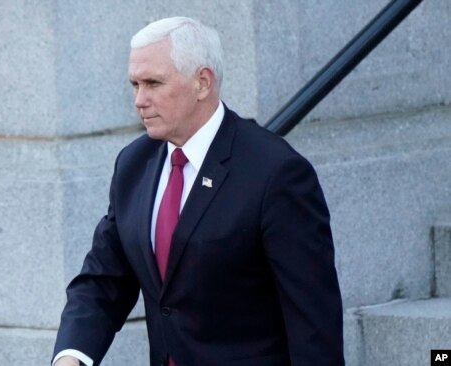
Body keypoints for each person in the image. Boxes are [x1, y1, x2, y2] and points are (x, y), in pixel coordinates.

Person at [52, 16, 344, 366]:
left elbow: (312, 322)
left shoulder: (276, 173)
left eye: (153, 83)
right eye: (134, 85)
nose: (139, 100)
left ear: (202, 82)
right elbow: (103, 281)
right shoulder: (134, 163)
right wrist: (70, 357)